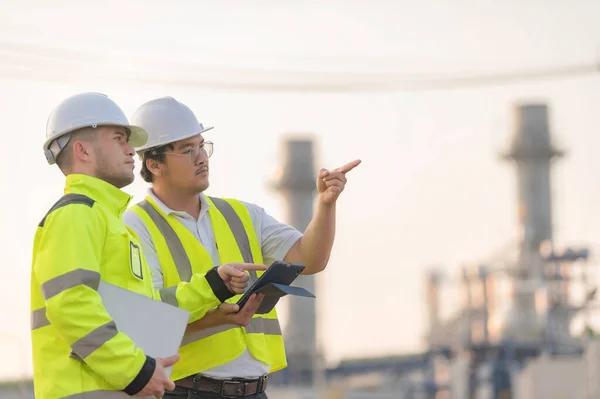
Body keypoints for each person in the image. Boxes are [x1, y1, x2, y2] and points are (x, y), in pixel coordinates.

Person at [123, 96, 361, 398]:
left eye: (202, 146)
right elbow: (144, 322)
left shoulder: (242, 214)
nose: (201, 158)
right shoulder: (135, 225)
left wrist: (326, 206)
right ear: (154, 163)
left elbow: (309, 259)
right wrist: (215, 317)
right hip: (186, 391)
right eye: (187, 150)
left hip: (254, 391)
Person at [30, 93, 264, 399]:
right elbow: (71, 305)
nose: (131, 151)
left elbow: (146, 312)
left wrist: (211, 286)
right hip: (87, 390)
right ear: (83, 150)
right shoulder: (75, 213)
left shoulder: (108, 220)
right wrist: (135, 372)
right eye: (119, 139)